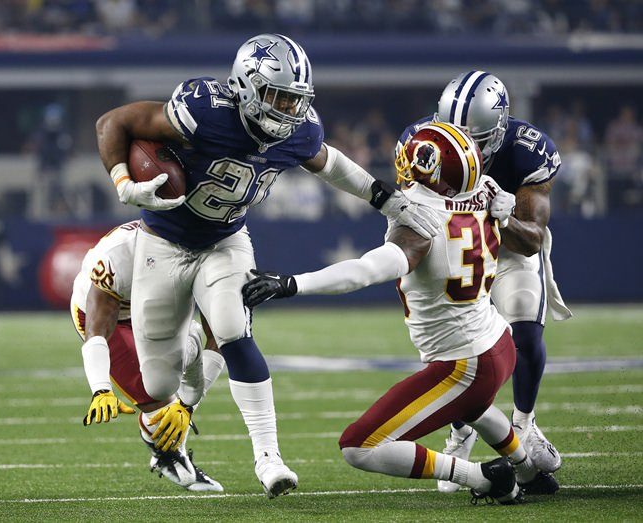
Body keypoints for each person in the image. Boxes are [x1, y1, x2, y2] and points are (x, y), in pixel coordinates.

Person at [94, 33, 441, 498]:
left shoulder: (299, 130)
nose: (289, 109)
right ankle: (193, 344)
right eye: (278, 96)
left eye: (296, 99)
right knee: (159, 385)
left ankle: (269, 457)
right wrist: (123, 182)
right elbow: (112, 122)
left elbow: (329, 162)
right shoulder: (204, 110)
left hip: (226, 240)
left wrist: (384, 198)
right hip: (163, 241)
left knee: (233, 328)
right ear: (246, 85)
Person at [243, 122, 558, 504]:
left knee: (358, 445)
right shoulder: (487, 190)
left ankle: (485, 478)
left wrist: (292, 284)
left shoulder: (420, 223)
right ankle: (528, 470)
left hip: (465, 362)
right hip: (498, 342)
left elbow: (364, 271)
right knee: (475, 406)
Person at [396, 71, 572, 490]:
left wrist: (504, 217)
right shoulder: (420, 142)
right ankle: (461, 429)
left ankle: (524, 424)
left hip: (507, 248)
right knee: (451, 350)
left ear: (499, 128)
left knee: (525, 325)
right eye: (453, 133)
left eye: (473, 137)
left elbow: (531, 241)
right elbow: (413, 213)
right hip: (454, 247)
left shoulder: (527, 149)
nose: (463, 145)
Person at [70, 220, 224, 492]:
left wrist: (188, 406)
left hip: (158, 309)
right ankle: (167, 454)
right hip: (116, 316)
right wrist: (101, 388)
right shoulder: (118, 256)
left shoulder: (204, 256)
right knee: (159, 407)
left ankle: (175, 423)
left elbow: (220, 338)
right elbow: (97, 330)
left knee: (194, 341)